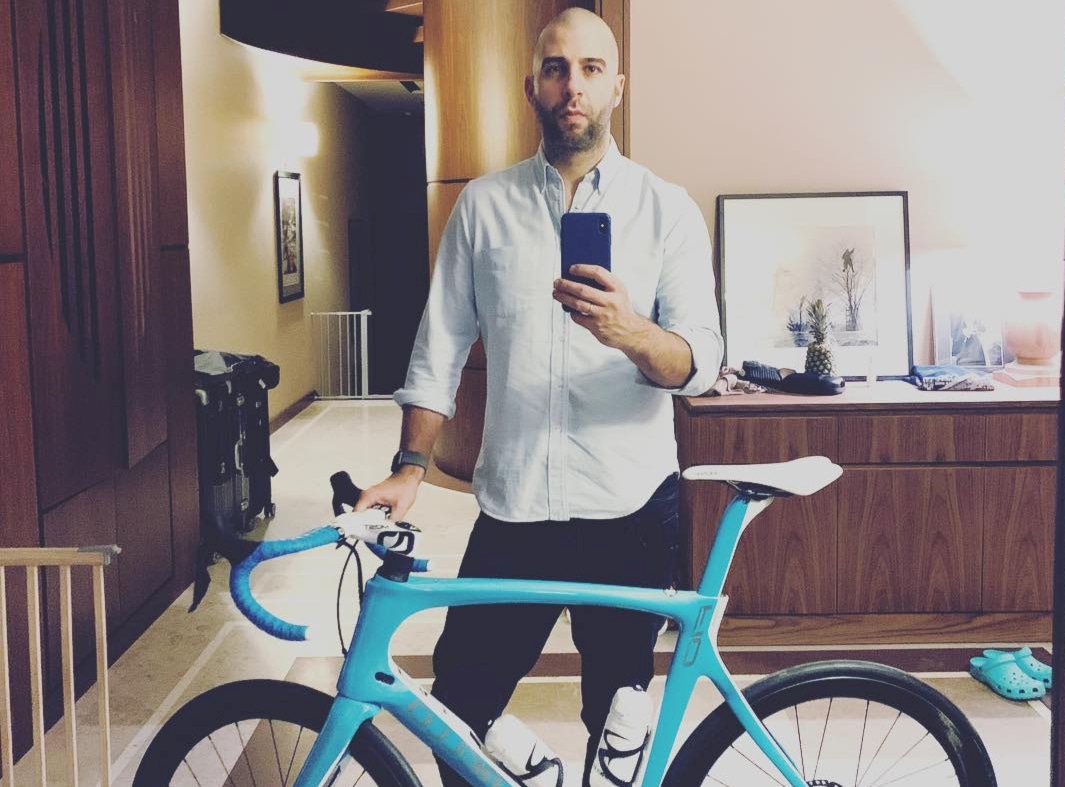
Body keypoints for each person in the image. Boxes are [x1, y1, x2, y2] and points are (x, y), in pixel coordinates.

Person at [355, 8, 721, 785]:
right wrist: (409, 466)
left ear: (616, 86)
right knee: (458, 701)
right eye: (555, 68)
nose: (571, 86)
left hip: (629, 507)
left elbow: (698, 363)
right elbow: (438, 347)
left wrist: (630, 331)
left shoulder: (666, 209)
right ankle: (535, 772)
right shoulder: (482, 207)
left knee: (616, 715)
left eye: (590, 69)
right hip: (515, 504)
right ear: (532, 87)